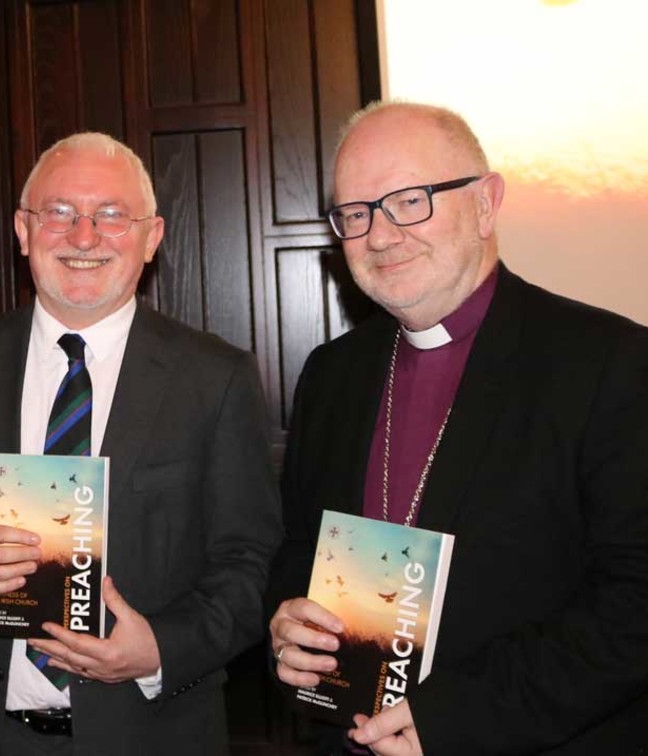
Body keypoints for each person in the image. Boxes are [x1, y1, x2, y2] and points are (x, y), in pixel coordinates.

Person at [268, 101, 648, 754]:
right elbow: (298, 551)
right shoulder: (332, 374)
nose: (380, 236)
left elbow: (636, 605)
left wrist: (454, 718)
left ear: (486, 203)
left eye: (410, 201)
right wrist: (286, 625)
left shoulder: (609, 363)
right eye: (355, 214)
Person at [0, 132, 282, 754]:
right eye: (60, 213)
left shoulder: (216, 378)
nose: (84, 236)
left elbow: (248, 563)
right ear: (23, 230)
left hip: (147, 733)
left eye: (112, 216)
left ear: (152, 237)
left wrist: (159, 649)